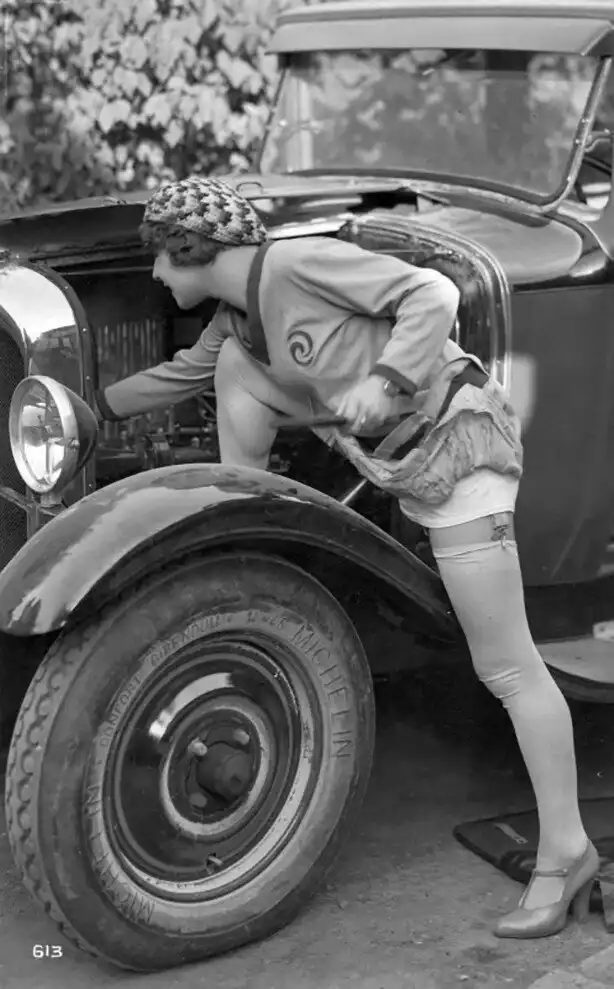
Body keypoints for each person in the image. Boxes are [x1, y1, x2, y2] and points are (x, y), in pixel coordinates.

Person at [96, 175, 599, 939]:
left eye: (160, 260)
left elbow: (432, 292)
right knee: (232, 369)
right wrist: (90, 410)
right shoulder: (238, 321)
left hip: (459, 448)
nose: (157, 277)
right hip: (404, 464)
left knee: (506, 667)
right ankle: (248, 518)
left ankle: (567, 849)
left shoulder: (297, 263)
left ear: (190, 248)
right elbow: (181, 376)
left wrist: (387, 376)